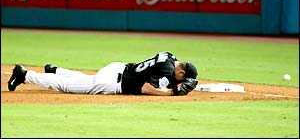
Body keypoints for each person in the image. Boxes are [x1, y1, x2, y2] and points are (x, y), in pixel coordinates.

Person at [8, 52, 198, 96]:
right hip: (112, 83)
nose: (180, 79)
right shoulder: (167, 71)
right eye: (182, 77)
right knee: (67, 87)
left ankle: (57, 70)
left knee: (86, 80)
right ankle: (25, 75)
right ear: (180, 71)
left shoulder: (169, 57)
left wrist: (172, 84)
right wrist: (170, 92)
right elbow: (145, 87)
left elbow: (160, 74)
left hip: (118, 68)